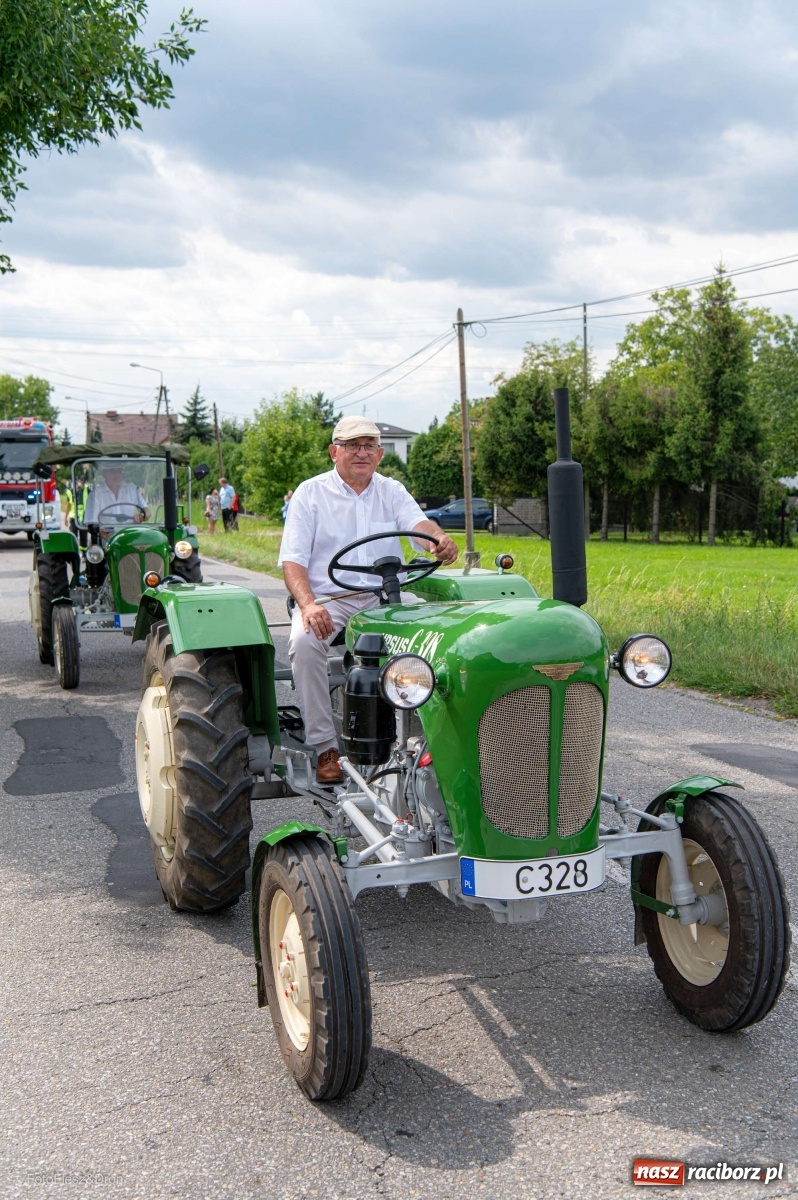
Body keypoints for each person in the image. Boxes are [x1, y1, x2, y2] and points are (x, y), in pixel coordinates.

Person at [279, 415, 457, 784]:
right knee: (304, 642)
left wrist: (438, 541)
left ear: (379, 454)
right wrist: (309, 605)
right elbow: (293, 560)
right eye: (352, 445)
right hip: (331, 597)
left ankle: (430, 741)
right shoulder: (310, 493)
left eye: (370, 446)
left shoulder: (391, 490)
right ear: (334, 452)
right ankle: (325, 746)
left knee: (440, 636)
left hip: (384, 594)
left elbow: (418, 528)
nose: (362, 452)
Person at [83, 464, 149, 525]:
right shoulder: (95, 495)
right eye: (112, 471)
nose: (116, 475)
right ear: (104, 473)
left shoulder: (131, 489)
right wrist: (104, 534)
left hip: (130, 534)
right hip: (108, 536)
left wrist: (141, 517)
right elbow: (92, 524)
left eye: (119, 471)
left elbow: (147, 511)